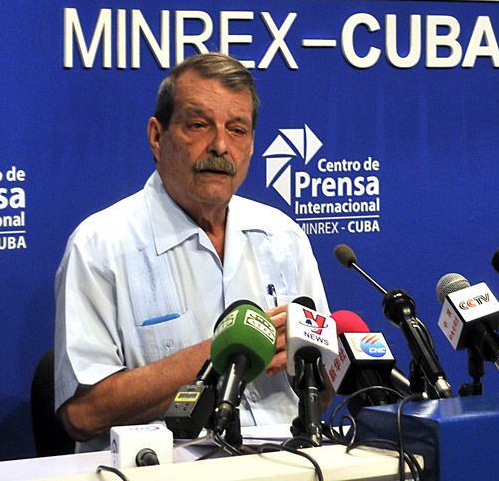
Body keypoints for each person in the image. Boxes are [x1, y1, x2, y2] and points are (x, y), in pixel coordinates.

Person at [54, 53, 330, 450]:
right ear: (156, 136)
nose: (220, 145)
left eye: (237, 130)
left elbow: (318, 395)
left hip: (292, 464)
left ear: (252, 145)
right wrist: (226, 352)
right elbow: (83, 415)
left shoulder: (283, 236)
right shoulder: (100, 246)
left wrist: (318, 367)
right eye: (198, 125)